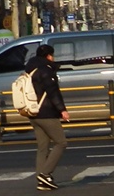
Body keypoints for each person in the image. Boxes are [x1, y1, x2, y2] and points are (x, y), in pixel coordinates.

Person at [25, 44, 69, 191]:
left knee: (42, 147)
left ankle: (41, 180)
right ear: (49, 56)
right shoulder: (46, 70)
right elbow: (52, 92)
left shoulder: (30, 69)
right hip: (46, 112)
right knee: (61, 142)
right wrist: (62, 110)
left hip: (33, 112)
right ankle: (45, 174)